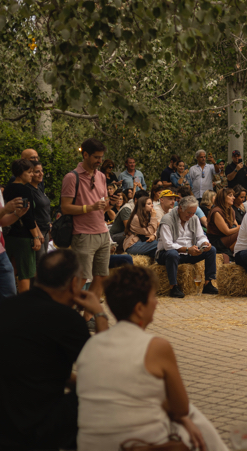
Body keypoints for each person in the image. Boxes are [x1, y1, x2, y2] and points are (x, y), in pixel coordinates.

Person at [76, 265, 227, 450]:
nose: (156, 303)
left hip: (90, 444)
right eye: (153, 297)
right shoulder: (156, 347)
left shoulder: (91, 345)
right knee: (193, 417)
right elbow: (181, 408)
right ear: (139, 309)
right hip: (134, 444)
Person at [0, 249, 108, 449]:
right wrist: (99, 314)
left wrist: (69, 379)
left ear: (38, 276)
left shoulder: (7, 307)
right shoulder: (68, 320)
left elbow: (32, 365)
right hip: (39, 426)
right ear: (74, 283)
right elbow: (104, 370)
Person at [60, 138, 113, 327]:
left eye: (101, 157)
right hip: (82, 234)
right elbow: (65, 207)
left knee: (101, 276)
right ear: (85, 155)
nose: (100, 161)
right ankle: (62, 316)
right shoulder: (71, 177)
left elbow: (103, 205)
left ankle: (87, 318)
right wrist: (89, 207)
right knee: (81, 278)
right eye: (96, 157)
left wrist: (110, 204)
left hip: (103, 233)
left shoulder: (101, 176)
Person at [155, 195, 217, 297]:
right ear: (180, 208)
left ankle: (208, 284)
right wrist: (187, 249)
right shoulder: (167, 220)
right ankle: (173, 287)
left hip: (188, 253)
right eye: (189, 213)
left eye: (193, 213)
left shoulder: (194, 218)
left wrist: (204, 243)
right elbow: (168, 245)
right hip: (167, 254)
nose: (191, 215)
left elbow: (200, 236)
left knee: (211, 250)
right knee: (172, 254)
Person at [3, 159, 43, 293]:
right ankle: (24, 303)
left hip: (8, 234)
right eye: (29, 172)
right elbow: (27, 216)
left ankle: (11, 300)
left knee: (11, 270)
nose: (32, 175)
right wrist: (36, 236)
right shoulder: (25, 190)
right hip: (23, 236)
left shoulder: (8, 188)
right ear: (21, 173)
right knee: (25, 273)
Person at [207, 187, 240, 262]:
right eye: (230, 195)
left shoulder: (230, 210)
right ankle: (232, 253)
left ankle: (233, 253)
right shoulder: (216, 212)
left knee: (243, 231)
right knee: (242, 231)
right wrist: (242, 227)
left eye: (233, 195)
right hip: (216, 241)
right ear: (223, 197)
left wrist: (240, 227)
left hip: (226, 238)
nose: (233, 198)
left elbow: (235, 225)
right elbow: (227, 231)